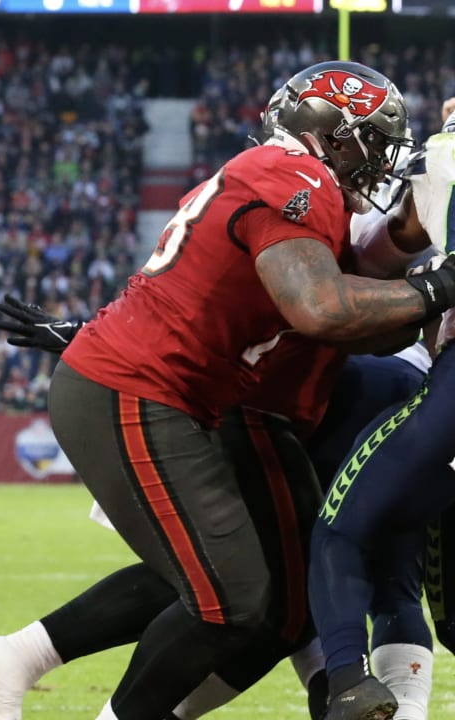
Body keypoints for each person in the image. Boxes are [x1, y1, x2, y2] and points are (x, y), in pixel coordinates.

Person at [35, 60, 449, 720]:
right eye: (372, 139)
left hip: (179, 394)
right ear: (333, 135)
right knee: (232, 598)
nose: (379, 160)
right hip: (147, 390)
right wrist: (439, 288)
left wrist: (425, 261)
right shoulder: (298, 176)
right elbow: (322, 309)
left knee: (274, 601)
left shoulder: (295, 180)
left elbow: (354, 307)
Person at [307, 105, 455, 720]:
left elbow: (374, 258)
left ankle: (348, 684)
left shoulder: (443, 158)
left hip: (443, 396)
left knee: (340, 530)